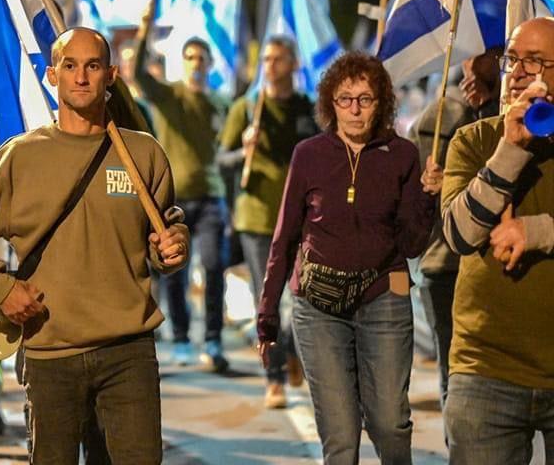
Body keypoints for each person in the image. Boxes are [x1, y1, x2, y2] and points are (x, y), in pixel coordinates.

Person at [0, 27, 190, 464]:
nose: (81, 76)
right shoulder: (20, 157)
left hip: (127, 352)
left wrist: (173, 246)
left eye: (92, 65)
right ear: (52, 76)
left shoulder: (142, 153)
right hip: (49, 352)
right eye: (69, 66)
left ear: (111, 74)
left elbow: (164, 230)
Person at [257, 52, 438, 464]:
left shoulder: (404, 154)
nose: (355, 109)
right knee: (340, 437)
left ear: (382, 102)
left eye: (365, 98)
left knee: (390, 423)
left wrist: (428, 196)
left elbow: (412, 244)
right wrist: (267, 312)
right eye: (345, 98)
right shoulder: (309, 154)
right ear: (330, 103)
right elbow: (284, 237)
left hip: (383, 297)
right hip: (318, 305)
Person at [440, 17, 554, 464]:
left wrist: (536, 231)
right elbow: (459, 233)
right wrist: (511, 151)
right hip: (486, 369)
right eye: (511, 60)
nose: (518, 72)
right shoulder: (473, 141)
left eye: (535, 61)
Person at [218, 37, 317, 408]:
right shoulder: (245, 110)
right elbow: (221, 161)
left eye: (279, 59)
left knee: (301, 297)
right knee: (269, 299)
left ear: (293, 64)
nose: (271, 66)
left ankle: (290, 349)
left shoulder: (306, 110)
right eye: (267, 60)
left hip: (300, 220)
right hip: (257, 219)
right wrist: (243, 150)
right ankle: (273, 377)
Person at [407, 48, 501, 412]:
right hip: (444, 263)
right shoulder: (441, 114)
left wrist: (491, 111)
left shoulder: (517, 115)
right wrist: (431, 183)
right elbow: (412, 190)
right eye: (472, 55)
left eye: (491, 54)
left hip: (494, 265)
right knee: (456, 371)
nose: (478, 64)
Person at [134, 33, 229, 370]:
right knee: (175, 271)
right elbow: (140, 75)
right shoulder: (170, 96)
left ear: (210, 64)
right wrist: (144, 33)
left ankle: (214, 339)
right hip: (174, 200)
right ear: (183, 61)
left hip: (212, 198)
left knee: (215, 265)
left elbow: (229, 150)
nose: (195, 63)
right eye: (189, 57)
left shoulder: (221, 103)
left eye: (201, 58)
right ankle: (182, 338)